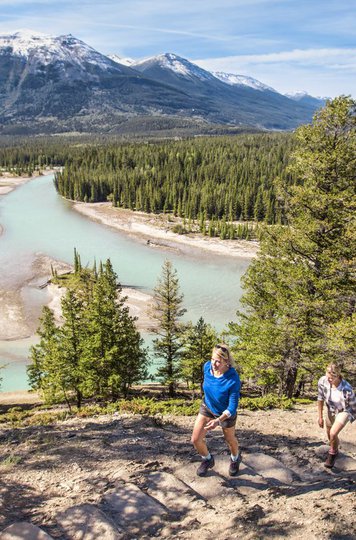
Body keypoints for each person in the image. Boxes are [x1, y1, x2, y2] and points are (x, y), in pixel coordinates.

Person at [191, 343, 241, 477]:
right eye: (213, 359)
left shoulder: (232, 379)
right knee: (196, 439)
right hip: (207, 407)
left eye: (218, 361)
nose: (214, 363)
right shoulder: (207, 367)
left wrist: (218, 421)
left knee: (229, 440)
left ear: (227, 362)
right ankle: (207, 460)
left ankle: (235, 458)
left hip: (225, 414)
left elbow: (232, 407)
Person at [317, 362, 356, 468]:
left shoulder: (346, 388)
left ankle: (332, 454)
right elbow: (320, 399)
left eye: (332, 378)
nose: (329, 380)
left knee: (333, 433)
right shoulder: (322, 381)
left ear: (338, 375)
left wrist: (351, 417)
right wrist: (320, 417)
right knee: (330, 435)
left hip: (345, 410)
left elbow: (354, 406)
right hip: (331, 409)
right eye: (328, 377)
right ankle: (335, 448)